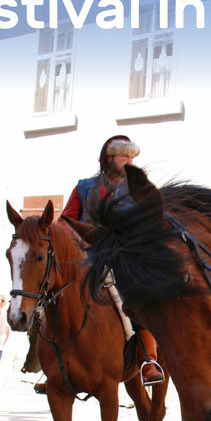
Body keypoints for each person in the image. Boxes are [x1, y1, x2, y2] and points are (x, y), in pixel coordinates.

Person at [61, 134, 164, 386]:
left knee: (139, 295)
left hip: (123, 256)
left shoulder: (139, 188)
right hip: (85, 256)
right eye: (123, 156)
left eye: (131, 157)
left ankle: (148, 360)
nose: (129, 161)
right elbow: (65, 221)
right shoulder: (85, 187)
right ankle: (49, 362)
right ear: (110, 158)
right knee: (50, 294)